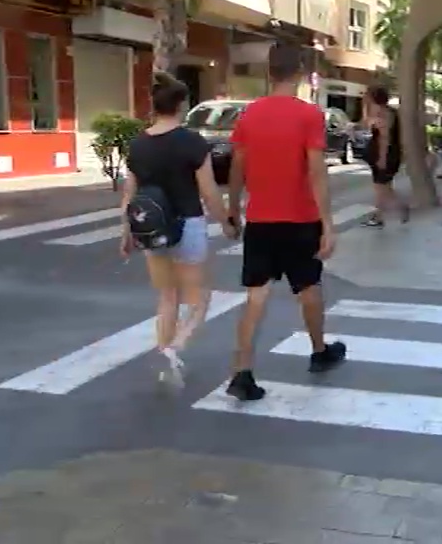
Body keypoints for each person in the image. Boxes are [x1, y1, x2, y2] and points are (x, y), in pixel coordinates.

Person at [226, 43, 346, 401]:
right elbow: (316, 172)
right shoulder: (309, 116)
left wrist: (233, 208)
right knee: (309, 288)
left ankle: (242, 372)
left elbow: (237, 166)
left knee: (256, 296)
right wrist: (328, 223)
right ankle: (319, 351)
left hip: (261, 219)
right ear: (299, 74)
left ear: (269, 73)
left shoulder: (249, 115)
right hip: (300, 219)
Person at [119, 71, 235, 386]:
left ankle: (163, 353)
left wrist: (126, 233)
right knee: (199, 299)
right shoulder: (191, 142)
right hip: (189, 226)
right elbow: (209, 192)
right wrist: (226, 221)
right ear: (181, 105)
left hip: (152, 228)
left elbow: (129, 194)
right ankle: (177, 346)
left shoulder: (139, 144)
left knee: (166, 296)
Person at [360, 86, 409, 228]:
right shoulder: (385, 112)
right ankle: (392, 211)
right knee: (384, 187)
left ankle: (381, 215)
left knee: (381, 188)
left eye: (367, 95)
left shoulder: (384, 113)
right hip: (385, 153)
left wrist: (382, 158)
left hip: (385, 154)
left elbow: (384, 138)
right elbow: (365, 123)